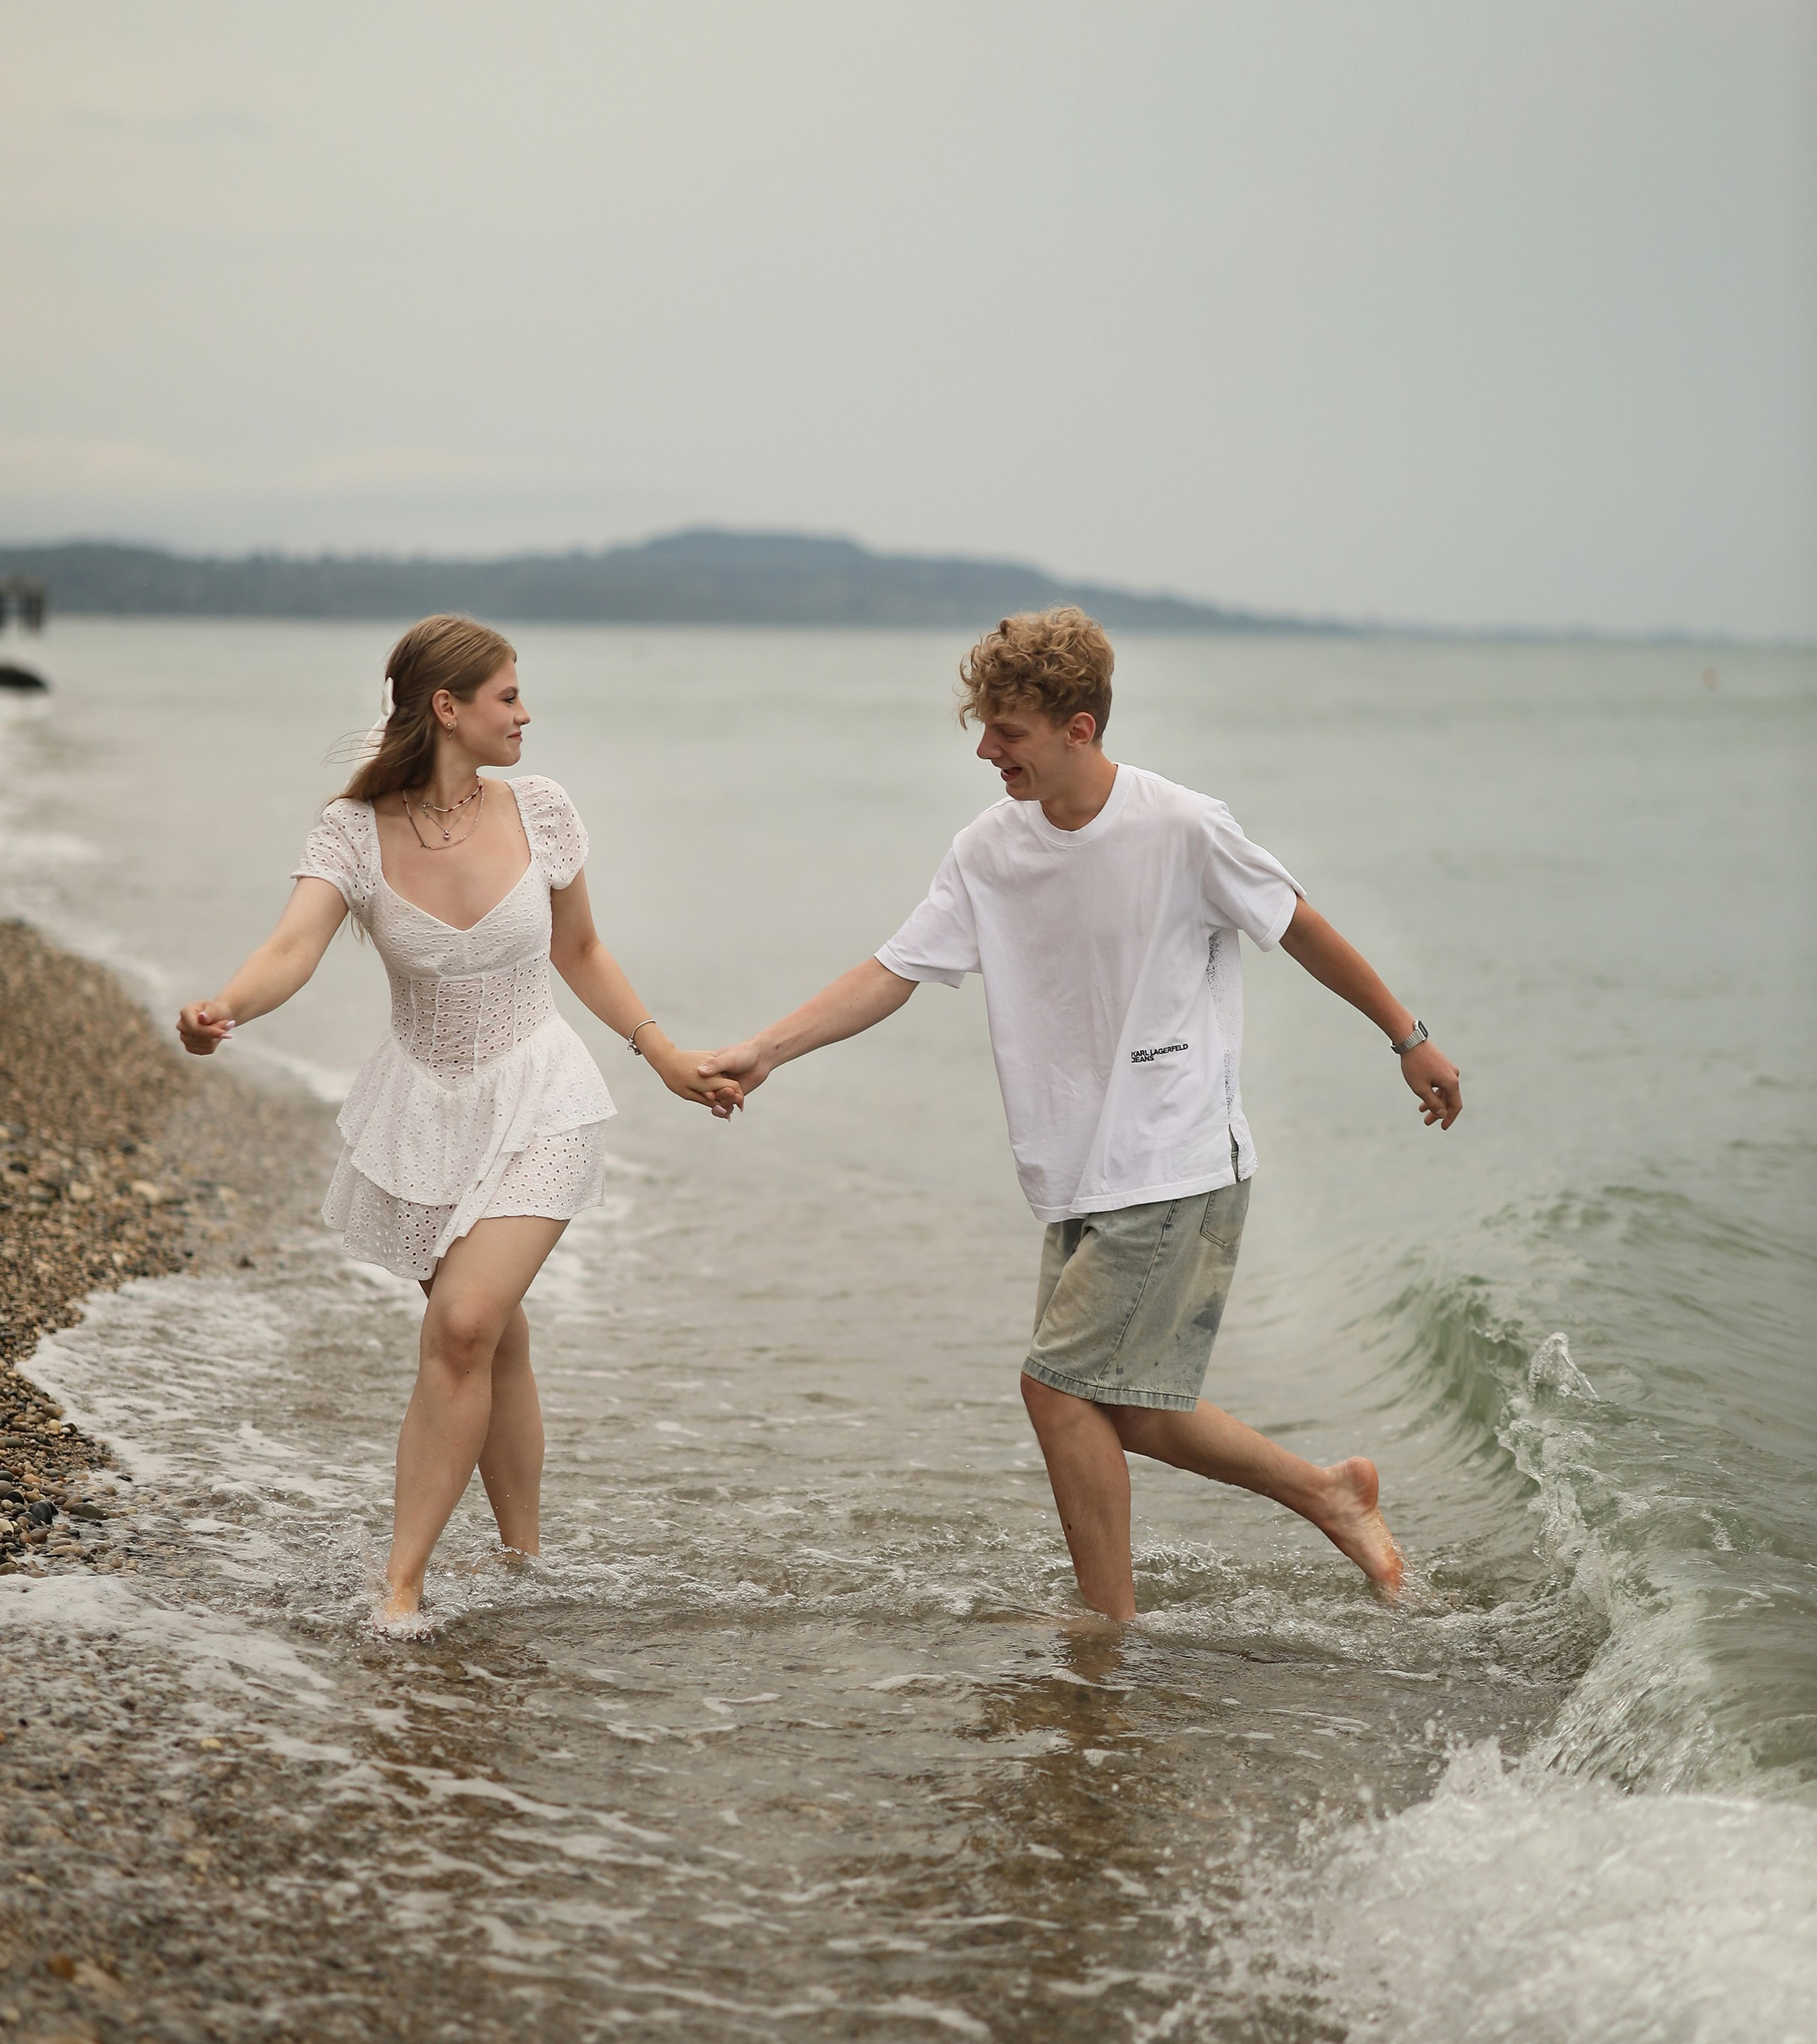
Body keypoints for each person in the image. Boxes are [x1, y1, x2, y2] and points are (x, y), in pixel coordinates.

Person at [697, 608, 1461, 1621]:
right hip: (1075, 1167)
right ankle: (1328, 1494)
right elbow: (895, 970)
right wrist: (766, 1050)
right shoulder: (987, 848)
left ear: (1080, 728)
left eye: (1007, 731)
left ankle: (1108, 1631)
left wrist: (1407, 1039)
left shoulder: (1181, 827)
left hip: (1175, 1154)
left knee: (1057, 1390)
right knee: (1123, 1409)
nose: (984, 750)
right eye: (983, 725)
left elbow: (1300, 926)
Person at [177, 615, 740, 1630]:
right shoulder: (353, 830)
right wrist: (226, 1007)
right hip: (425, 1108)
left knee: (465, 1322)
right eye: (508, 697)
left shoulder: (544, 810)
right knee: (494, 1338)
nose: (526, 714)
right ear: (448, 709)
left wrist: (663, 1056)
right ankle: (526, 1563)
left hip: (541, 1091)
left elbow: (582, 951)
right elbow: (293, 945)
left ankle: (401, 1582)